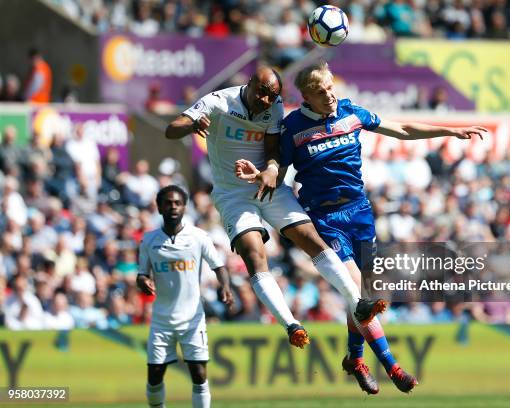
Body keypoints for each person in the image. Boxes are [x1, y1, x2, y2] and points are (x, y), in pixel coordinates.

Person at [236, 61, 488, 394]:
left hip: (361, 213)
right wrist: (264, 173)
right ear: (306, 97)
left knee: (360, 297)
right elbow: (277, 167)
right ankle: (391, 366)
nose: (329, 95)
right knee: (355, 288)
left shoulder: (351, 113)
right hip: (324, 219)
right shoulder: (293, 127)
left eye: (330, 88)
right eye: (320, 92)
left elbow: (402, 129)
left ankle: (355, 358)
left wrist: (449, 131)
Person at [165, 67, 385, 351]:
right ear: (250, 84)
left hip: (268, 186)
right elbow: (172, 128)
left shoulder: (275, 108)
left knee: (311, 238)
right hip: (234, 195)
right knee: (255, 253)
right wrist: (192, 124)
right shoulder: (218, 101)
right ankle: (291, 325)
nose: (267, 101)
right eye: (263, 94)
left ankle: (358, 303)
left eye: (273, 96)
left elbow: (272, 149)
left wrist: (268, 170)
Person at [136, 185, 234, 408]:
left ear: (184, 207)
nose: (173, 207)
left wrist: (226, 287)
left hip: (192, 318)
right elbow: (141, 274)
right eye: (168, 203)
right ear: (159, 207)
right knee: (155, 373)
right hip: (161, 319)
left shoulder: (198, 237)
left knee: (199, 373)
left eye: (177, 203)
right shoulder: (149, 240)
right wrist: (144, 282)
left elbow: (219, 266)